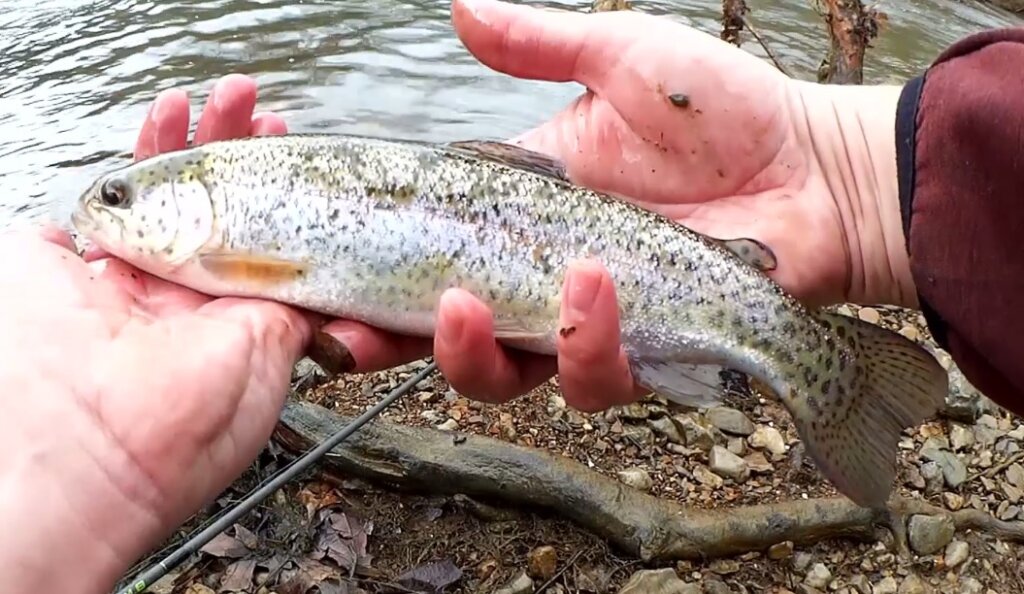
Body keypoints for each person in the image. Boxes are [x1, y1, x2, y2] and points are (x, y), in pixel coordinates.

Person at [2, 0, 1022, 591]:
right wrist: (865, 176)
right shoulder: (229, 224)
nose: (103, 214)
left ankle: (797, 355)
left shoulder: (229, 232)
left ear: (191, 199)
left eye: (121, 200)